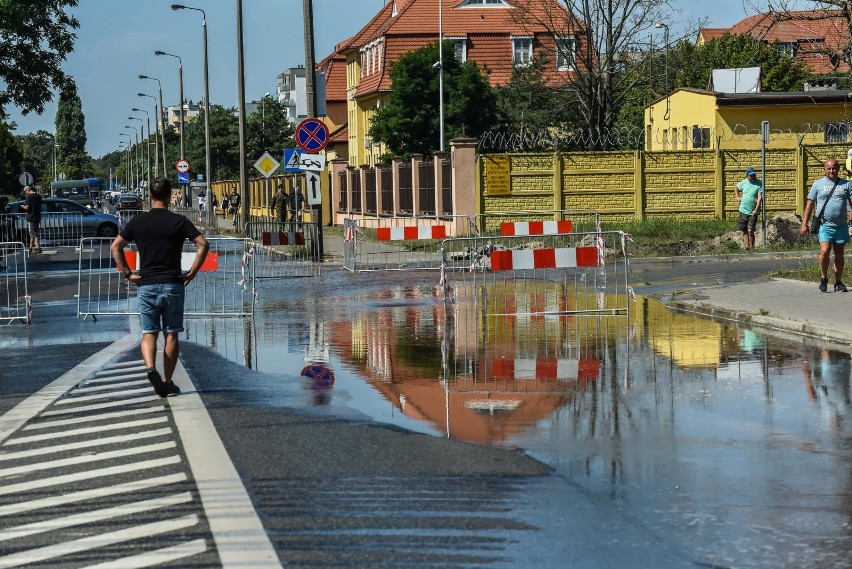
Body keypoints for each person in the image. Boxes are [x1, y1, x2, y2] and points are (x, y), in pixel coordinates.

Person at [110, 177, 209, 397]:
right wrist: (192, 272)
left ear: (150, 196)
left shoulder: (137, 222)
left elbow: (116, 246)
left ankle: (150, 369)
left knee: (149, 334)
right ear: (168, 196)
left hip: (146, 284)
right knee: (172, 335)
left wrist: (128, 273)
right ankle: (167, 380)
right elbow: (203, 244)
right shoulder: (179, 221)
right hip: (173, 283)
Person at [800, 158, 852, 292]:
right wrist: (804, 224)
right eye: (828, 168)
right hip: (825, 225)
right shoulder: (818, 184)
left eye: (834, 168)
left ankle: (838, 282)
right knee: (824, 251)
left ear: (838, 169)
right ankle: (823, 278)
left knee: (839, 254)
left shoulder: (846, 184)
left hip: (841, 226)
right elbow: (809, 205)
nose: (831, 171)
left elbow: (851, 204)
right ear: (824, 169)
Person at [733, 167, 763, 250]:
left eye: (754, 174)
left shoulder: (760, 183)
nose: (753, 176)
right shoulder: (744, 182)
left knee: (750, 230)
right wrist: (737, 197)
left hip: (753, 211)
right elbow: (736, 187)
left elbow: (760, 197)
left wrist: (756, 210)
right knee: (745, 230)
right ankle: (747, 247)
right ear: (747, 176)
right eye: (751, 175)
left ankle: (752, 246)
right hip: (743, 210)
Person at [19, 186, 43, 255]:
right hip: (37, 216)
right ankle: (31, 247)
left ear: (28, 190)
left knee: (33, 233)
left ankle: (37, 248)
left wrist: (21, 206)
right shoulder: (39, 196)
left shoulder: (29, 197)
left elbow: (27, 207)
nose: (25, 193)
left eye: (25, 191)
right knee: (34, 232)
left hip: (31, 217)